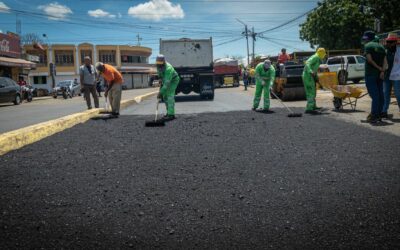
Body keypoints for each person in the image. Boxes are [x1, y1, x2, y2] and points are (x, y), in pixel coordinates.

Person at [362, 31, 387, 123]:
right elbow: (385, 61)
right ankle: (379, 114)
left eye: (365, 39)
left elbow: (369, 59)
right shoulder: (381, 47)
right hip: (379, 75)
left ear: (367, 39)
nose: (364, 41)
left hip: (370, 74)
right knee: (380, 95)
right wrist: (382, 71)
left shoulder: (368, 46)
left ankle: (374, 115)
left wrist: (378, 67)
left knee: (375, 96)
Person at [302, 48, 326, 114]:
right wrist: (310, 71)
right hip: (308, 76)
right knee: (310, 91)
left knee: (313, 91)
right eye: (323, 54)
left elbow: (314, 71)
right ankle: (309, 109)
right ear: (321, 53)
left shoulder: (317, 58)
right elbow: (307, 63)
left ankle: (313, 106)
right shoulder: (315, 57)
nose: (324, 56)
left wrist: (317, 79)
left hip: (310, 76)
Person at [156, 54, 180, 120]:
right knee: (165, 96)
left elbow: (166, 84)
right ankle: (168, 112)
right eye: (158, 63)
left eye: (160, 63)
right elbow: (159, 74)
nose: (159, 64)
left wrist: (160, 93)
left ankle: (171, 115)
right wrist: (160, 79)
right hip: (166, 79)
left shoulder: (168, 68)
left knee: (169, 95)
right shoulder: (158, 65)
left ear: (163, 62)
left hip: (173, 80)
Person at [382, 33, 400, 118]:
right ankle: (384, 111)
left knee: (398, 94)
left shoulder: (399, 51)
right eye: (388, 41)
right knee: (385, 94)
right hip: (387, 76)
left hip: (397, 76)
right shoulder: (385, 52)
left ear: (395, 42)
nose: (389, 43)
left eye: (391, 42)